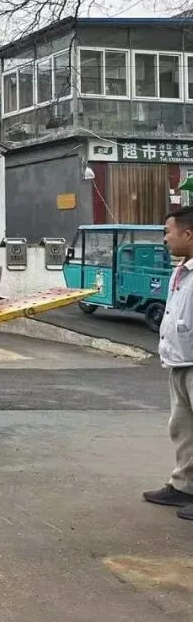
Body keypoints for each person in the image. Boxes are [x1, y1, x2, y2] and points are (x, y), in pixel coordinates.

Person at [144, 205, 193, 519]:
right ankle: (184, 486)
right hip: (180, 361)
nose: (164, 238)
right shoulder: (181, 270)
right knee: (183, 428)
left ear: (188, 234)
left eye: (167, 232)